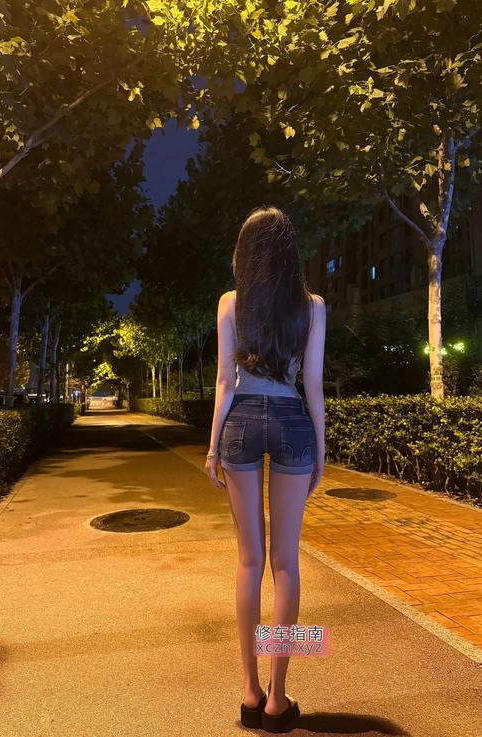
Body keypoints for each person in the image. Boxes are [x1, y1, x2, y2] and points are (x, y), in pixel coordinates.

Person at [205, 205, 326, 733]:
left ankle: (249, 691)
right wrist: (322, 448)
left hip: (241, 423)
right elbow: (313, 385)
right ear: (290, 253)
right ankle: (278, 698)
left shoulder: (231, 303)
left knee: (248, 562)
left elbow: (224, 382)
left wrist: (212, 448)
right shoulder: (313, 307)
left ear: (245, 254)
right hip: (294, 423)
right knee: (286, 564)